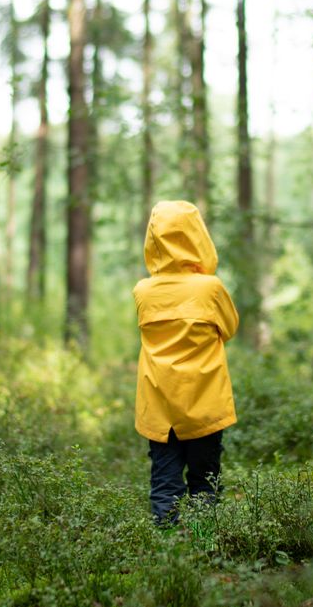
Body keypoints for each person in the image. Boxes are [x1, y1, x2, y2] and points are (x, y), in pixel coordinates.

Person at [132, 200, 239, 525]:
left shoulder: (143, 291)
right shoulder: (211, 289)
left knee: (164, 484)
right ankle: (203, 551)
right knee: (205, 482)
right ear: (197, 236)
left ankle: (169, 557)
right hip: (205, 402)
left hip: (160, 407)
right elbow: (230, 328)